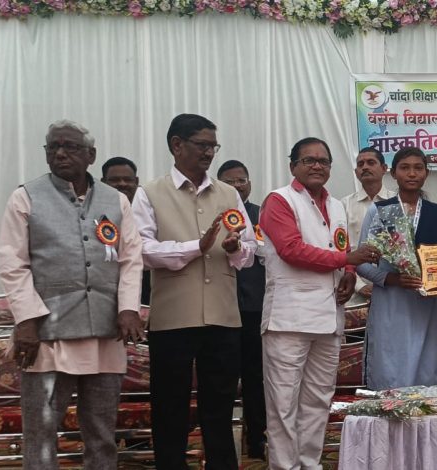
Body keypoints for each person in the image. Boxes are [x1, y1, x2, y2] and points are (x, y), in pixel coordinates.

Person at [0, 120, 145, 470]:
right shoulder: (26, 196)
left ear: (91, 155)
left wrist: (128, 308)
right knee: (41, 434)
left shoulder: (115, 200)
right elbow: (12, 263)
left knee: (101, 433)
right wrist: (27, 320)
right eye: (53, 147)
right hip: (46, 337)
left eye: (70, 147)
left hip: (105, 336)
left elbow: (130, 258)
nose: (60, 153)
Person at [132, 114, 257, 470]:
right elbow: (142, 250)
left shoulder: (228, 193)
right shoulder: (150, 193)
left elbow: (250, 252)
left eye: (213, 146)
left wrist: (235, 248)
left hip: (223, 317)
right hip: (173, 318)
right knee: (169, 406)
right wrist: (194, 247)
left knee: (220, 407)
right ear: (176, 145)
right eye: (202, 145)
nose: (209, 153)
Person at [259, 137, 379, 470]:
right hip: (289, 319)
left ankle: (309, 464)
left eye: (323, 161)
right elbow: (291, 250)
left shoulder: (337, 205)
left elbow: (343, 248)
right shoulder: (279, 200)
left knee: (318, 400)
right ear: (293, 166)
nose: (317, 166)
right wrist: (346, 259)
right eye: (308, 160)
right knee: (283, 404)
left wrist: (350, 273)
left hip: (329, 316)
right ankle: (285, 467)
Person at [356, 146, 437, 390]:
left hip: (424, 304)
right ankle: (388, 410)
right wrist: (391, 279)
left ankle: (422, 412)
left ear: (427, 173)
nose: (412, 173)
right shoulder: (379, 210)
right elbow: (361, 263)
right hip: (390, 301)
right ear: (393, 173)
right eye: (405, 168)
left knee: (424, 362)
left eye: (418, 168)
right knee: (388, 361)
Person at [217, 159, 267, 459]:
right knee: (221, 379)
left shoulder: (262, 214)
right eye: (230, 181)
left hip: (254, 307)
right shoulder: (212, 214)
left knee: (255, 376)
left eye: (242, 180)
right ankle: (222, 444)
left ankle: (258, 440)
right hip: (219, 308)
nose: (237, 186)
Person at [341, 147, 394, 298]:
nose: (365, 167)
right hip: (352, 286)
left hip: (391, 285)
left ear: (384, 168)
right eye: (360, 164)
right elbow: (340, 249)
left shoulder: (397, 203)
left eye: (371, 162)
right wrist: (359, 285)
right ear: (356, 172)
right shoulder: (344, 205)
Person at [101, 156, 151, 305]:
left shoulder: (150, 209)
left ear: (137, 181)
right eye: (115, 180)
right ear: (103, 182)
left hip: (147, 285)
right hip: (109, 288)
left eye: (128, 180)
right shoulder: (97, 214)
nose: (122, 184)